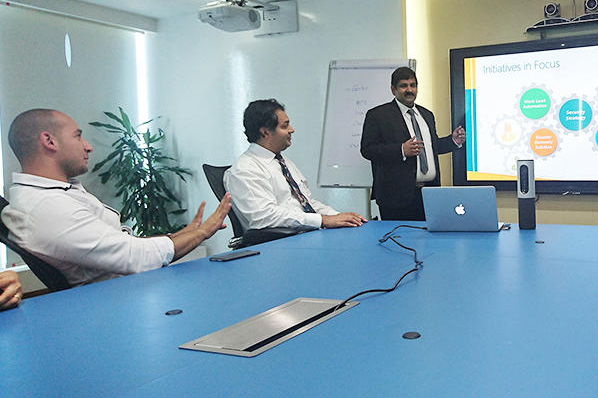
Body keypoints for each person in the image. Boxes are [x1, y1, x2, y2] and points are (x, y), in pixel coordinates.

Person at [1, 109, 231, 287]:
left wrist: (183, 235)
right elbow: (134, 257)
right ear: (49, 141)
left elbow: (119, 243)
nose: (88, 146)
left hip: (129, 291)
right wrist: (201, 233)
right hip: (119, 304)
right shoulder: (46, 208)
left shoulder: (56, 194)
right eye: (78, 136)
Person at [224, 99, 366, 231]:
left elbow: (307, 203)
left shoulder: (282, 161)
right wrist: (323, 220)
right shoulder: (245, 169)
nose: (292, 130)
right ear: (265, 132)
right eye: (285, 126)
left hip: (304, 235)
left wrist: (339, 217)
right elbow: (264, 217)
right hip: (279, 245)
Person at [360, 67, 465, 220]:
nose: (409, 90)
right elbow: (367, 149)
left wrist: (452, 141)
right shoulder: (378, 115)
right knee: (399, 241)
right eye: (403, 86)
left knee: (430, 242)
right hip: (396, 198)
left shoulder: (427, 115)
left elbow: (430, 147)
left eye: (413, 85)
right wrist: (401, 150)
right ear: (393, 89)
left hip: (429, 194)